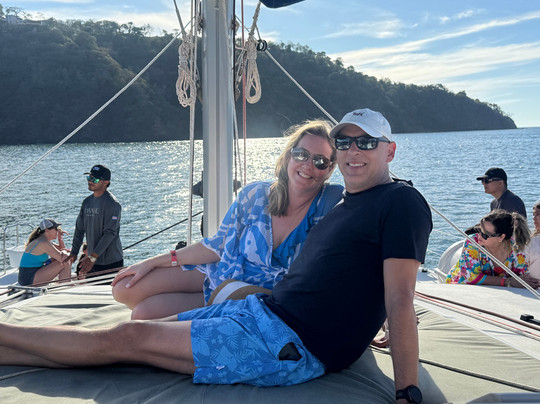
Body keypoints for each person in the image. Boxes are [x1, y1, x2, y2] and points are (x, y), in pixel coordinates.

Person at [0, 108, 432, 404]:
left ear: (389, 151)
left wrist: (407, 392)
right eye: (346, 143)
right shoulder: (348, 203)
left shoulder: (398, 201)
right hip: (262, 313)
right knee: (130, 330)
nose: (353, 152)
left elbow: (399, 296)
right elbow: (356, 277)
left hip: (288, 342)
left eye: (366, 143)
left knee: (129, 340)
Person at [112, 120, 344, 320]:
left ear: (330, 168)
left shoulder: (330, 204)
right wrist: (153, 262)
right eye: (301, 154)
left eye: (320, 161)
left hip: (246, 296)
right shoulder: (255, 195)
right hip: (224, 271)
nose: (308, 166)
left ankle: (207, 310)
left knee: (141, 314)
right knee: (123, 288)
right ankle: (202, 304)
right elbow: (218, 246)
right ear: (288, 155)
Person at [446, 209, 540, 289]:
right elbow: (469, 277)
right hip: (461, 287)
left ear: (501, 237)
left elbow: (521, 277)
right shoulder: (472, 242)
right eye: (479, 230)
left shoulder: (517, 251)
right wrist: (508, 282)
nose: (479, 236)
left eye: (485, 234)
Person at [68, 164, 123, 278]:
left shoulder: (113, 204)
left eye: (95, 179)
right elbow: (79, 229)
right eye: (89, 178)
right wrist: (74, 252)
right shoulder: (87, 202)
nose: (90, 181)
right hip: (91, 261)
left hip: (110, 262)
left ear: (106, 182)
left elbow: (110, 233)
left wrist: (92, 257)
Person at [17, 218, 72, 286]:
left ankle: (65, 284)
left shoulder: (43, 241)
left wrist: (60, 238)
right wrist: (65, 252)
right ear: (47, 230)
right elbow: (63, 258)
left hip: (29, 276)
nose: (58, 231)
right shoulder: (43, 243)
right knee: (66, 260)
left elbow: (61, 249)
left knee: (62, 258)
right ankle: (65, 286)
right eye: (56, 229)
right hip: (28, 278)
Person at [524, 200, 540, 279]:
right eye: (533, 215)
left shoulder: (533, 241)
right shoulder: (532, 239)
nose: (534, 218)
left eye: (537, 214)